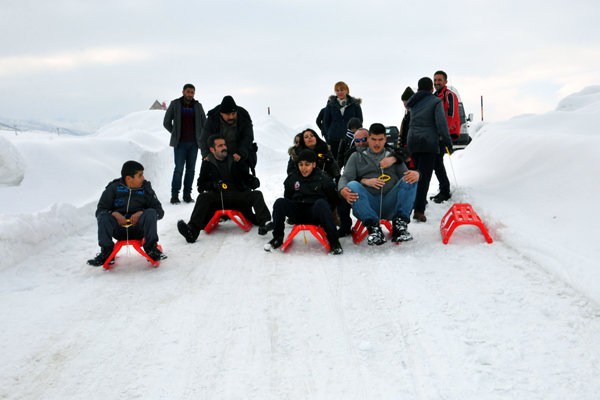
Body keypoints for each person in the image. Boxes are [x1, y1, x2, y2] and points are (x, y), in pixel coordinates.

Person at [177, 134, 273, 243]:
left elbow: (245, 176)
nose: (224, 147)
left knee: (257, 194)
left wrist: (253, 181)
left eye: (224, 145)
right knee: (203, 196)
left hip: (237, 196)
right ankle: (192, 232)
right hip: (218, 198)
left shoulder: (234, 160)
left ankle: (265, 223)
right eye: (220, 146)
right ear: (212, 149)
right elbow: (201, 185)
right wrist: (213, 185)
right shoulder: (207, 163)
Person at [338, 123, 420, 245]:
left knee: (409, 179)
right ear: (369, 139)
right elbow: (346, 177)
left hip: (389, 203)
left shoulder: (393, 156)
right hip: (368, 204)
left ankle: (400, 226)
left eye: (380, 140)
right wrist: (342, 190)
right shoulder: (355, 156)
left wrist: (417, 174)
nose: (377, 143)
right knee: (352, 185)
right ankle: (373, 228)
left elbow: (406, 175)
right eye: (373, 139)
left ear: (385, 139)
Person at [87, 161, 166, 266]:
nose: (143, 178)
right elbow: (100, 210)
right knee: (103, 216)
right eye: (140, 175)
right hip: (119, 229)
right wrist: (113, 213)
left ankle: (152, 249)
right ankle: (106, 253)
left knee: (151, 212)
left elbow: (159, 212)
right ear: (128, 178)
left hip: (138, 229)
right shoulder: (113, 188)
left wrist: (141, 212)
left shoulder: (145, 189)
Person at [266, 149, 343, 255]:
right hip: (297, 212)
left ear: (314, 164)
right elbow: (287, 197)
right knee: (280, 202)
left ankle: (334, 242)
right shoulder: (292, 179)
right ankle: (277, 238)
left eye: (307, 164)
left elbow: (333, 199)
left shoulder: (323, 179)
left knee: (322, 203)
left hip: (315, 213)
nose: (303, 168)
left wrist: (325, 211)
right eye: (301, 164)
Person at [406, 77, 452, 222]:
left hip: (413, 142)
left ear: (418, 90)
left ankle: (415, 204)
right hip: (428, 142)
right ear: (432, 89)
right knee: (423, 177)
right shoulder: (435, 101)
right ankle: (419, 210)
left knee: (417, 174)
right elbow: (441, 123)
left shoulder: (412, 102)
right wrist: (447, 140)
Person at [163, 83, 207, 204]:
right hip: (180, 144)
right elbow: (166, 122)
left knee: (191, 170)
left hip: (194, 144)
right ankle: (175, 195)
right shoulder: (175, 104)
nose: (190, 94)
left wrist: (201, 137)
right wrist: (175, 133)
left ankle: (187, 194)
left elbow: (205, 123)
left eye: (192, 92)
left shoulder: (197, 106)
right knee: (178, 169)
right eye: (188, 92)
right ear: (183, 92)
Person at [199, 95, 257, 175]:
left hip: (238, 157)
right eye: (228, 114)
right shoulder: (212, 119)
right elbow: (204, 139)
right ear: (221, 113)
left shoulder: (243, 118)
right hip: (219, 158)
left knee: (243, 182)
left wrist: (240, 153)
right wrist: (207, 155)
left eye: (233, 113)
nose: (231, 117)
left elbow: (247, 138)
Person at [431, 70, 461, 203]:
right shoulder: (435, 96)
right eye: (435, 80)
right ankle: (443, 189)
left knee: (437, 162)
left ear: (445, 82)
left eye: (439, 80)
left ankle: (445, 191)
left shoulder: (449, 95)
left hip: (443, 135)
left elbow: (451, 115)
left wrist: (444, 134)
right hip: (436, 135)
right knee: (437, 163)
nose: (437, 82)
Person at [323, 81, 363, 160]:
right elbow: (326, 121)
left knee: (350, 159)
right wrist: (330, 132)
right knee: (334, 160)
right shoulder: (331, 104)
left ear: (346, 90)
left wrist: (354, 133)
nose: (340, 92)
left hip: (350, 138)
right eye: (337, 90)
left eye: (342, 90)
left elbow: (359, 120)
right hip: (333, 138)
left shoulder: (355, 104)